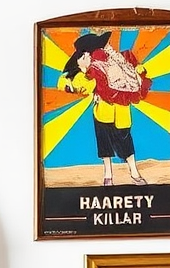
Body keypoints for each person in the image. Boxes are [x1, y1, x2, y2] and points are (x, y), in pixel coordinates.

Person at [58, 30, 151, 186]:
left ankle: (134, 173)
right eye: (102, 45)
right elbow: (79, 86)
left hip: (121, 112)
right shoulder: (90, 70)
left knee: (126, 142)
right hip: (102, 111)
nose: (107, 47)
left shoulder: (120, 60)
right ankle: (108, 175)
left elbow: (137, 73)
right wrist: (81, 71)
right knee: (105, 145)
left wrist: (138, 71)